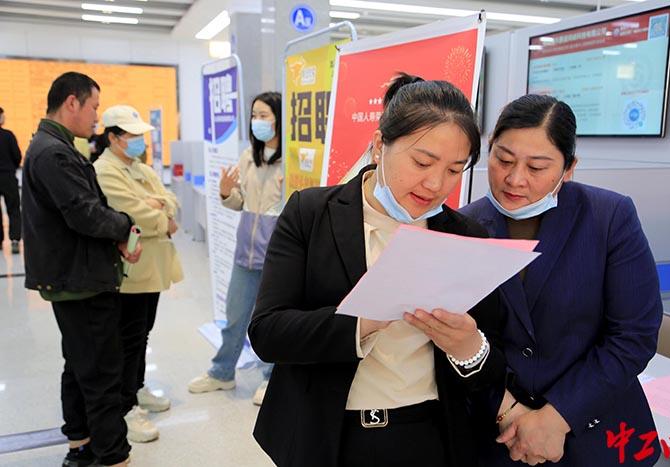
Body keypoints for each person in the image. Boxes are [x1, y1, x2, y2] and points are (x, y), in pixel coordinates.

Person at [248, 74, 506, 467]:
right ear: (379, 145)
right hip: (327, 434)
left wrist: (469, 348)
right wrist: (364, 319)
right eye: (422, 162)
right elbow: (267, 333)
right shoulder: (311, 213)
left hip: (428, 434)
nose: (436, 184)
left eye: (455, 170)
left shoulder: (464, 235)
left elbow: (490, 362)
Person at [459, 94, 662, 466]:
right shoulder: (462, 228)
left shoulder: (608, 217)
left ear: (569, 168)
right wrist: (514, 415)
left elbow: (634, 335)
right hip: (498, 439)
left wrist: (557, 417)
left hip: (600, 435)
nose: (514, 178)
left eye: (537, 167)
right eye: (503, 159)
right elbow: (458, 343)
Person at [22, 72, 142, 467]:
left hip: (75, 277)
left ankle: (81, 445)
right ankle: (112, 456)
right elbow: (84, 214)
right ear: (71, 102)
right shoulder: (53, 153)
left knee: (79, 364)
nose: (96, 117)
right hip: (82, 281)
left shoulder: (53, 147)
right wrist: (125, 227)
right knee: (103, 374)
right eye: (93, 107)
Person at [93, 105, 183, 443]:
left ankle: (137, 387)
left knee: (141, 333)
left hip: (153, 266)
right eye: (132, 136)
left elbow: (168, 198)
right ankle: (125, 405)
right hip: (132, 268)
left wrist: (159, 205)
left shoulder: (140, 168)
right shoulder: (105, 170)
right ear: (114, 138)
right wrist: (162, 217)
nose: (139, 142)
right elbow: (133, 214)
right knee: (128, 337)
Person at [188, 91, 283, 405]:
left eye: (264, 115)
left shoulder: (293, 159)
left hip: (278, 255)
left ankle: (271, 378)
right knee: (234, 317)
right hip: (246, 251)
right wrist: (227, 192)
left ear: (279, 118)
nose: (257, 121)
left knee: (269, 321)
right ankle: (222, 372)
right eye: (254, 115)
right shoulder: (248, 157)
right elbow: (240, 201)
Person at [0, 106, 22, 254]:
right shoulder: (8, 135)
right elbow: (17, 156)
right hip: (7, 176)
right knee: (13, 208)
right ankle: (14, 240)